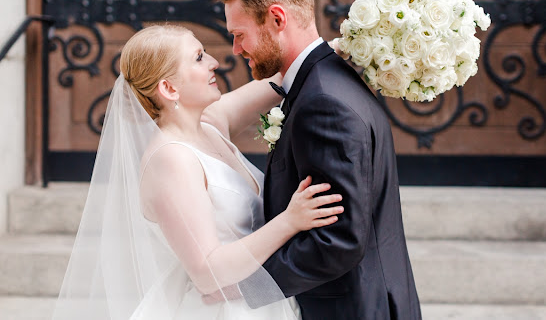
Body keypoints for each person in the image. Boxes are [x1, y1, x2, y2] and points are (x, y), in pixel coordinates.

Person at [51, 24, 344, 320]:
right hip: (223, 311)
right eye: (199, 57)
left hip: (261, 300)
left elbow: (282, 79)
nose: (214, 62)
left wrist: (354, 41)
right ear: (169, 88)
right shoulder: (171, 160)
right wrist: (289, 222)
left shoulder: (210, 124)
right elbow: (206, 271)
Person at [218, 0, 422, 319]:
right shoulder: (330, 80)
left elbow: (338, 239)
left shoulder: (323, 103)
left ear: (276, 18)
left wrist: (243, 288)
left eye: (239, 35)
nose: (235, 50)